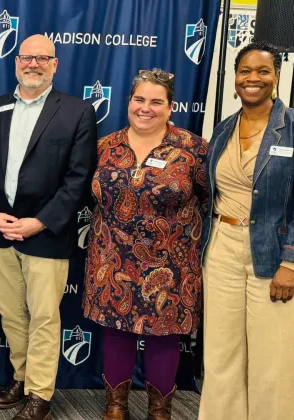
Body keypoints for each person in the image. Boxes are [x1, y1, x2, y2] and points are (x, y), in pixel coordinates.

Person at [0, 34, 97, 420]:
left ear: (55, 64)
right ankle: (21, 375)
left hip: (46, 233)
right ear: (16, 62)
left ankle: (40, 393)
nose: (33, 64)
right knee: (11, 313)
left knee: (45, 316)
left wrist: (40, 221)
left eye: (42, 58)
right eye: (27, 58)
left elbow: (78, 179)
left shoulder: (77, 112)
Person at [82, 69, 208, 420]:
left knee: (164, 336)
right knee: (115, 331)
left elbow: (209, 198)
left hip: (172, 262)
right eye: (139, 100)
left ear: (171, 107)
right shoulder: (105, 146)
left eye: (156, 102)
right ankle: (116, 407)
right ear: (128, 102)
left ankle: (160, 411)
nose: (146, 108)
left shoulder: (193, 149)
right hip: (111, 257)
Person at [199, 41, 294, 420]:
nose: (253, 78)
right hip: (222, 249)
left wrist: (292, 263)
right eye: (245, 71)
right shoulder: (224, 128)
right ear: (234, 79)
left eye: (263, 71)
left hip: (275, 254)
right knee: (221, 355)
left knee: (274, 360)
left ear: (276, 77)